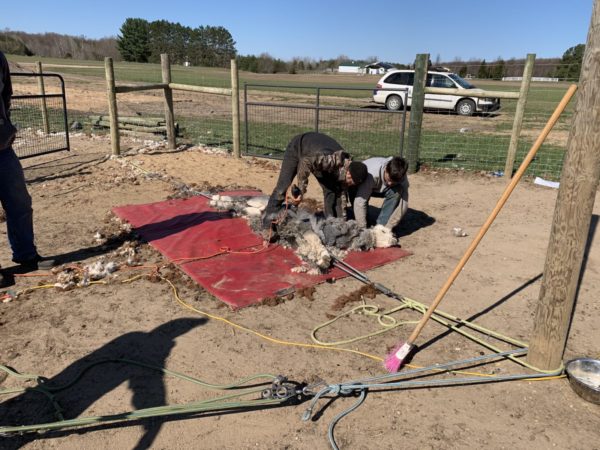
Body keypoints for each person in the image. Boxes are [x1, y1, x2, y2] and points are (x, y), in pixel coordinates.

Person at [0, 51, 54, 288]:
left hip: (2, 148)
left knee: (20, 202)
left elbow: (6, 95)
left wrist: (5, 126)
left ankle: (26, 254)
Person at [262, 131, 368, 230]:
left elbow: (342, 197)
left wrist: (342, 223)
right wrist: (301, 192)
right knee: (282, 187)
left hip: (317, 159)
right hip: (298, 148)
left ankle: (330, 225)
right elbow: (305, 163)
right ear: (348, 173)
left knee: (330, 191)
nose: (348, 184)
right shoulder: (330, 160)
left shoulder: (346, 169)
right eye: (350, 182)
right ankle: (267, 224)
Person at [350, 156, 409, 233]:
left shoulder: (402, 177)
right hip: (361, 185)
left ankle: (380, 225)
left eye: (394, 182)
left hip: (380, 189)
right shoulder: (371, 174)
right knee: (363, 220)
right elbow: (360, 202)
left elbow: (403, 205)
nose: (390, 183)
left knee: (397, 190)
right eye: (389, 179)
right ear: (386, 170)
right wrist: (362, 229)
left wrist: (388, 227)